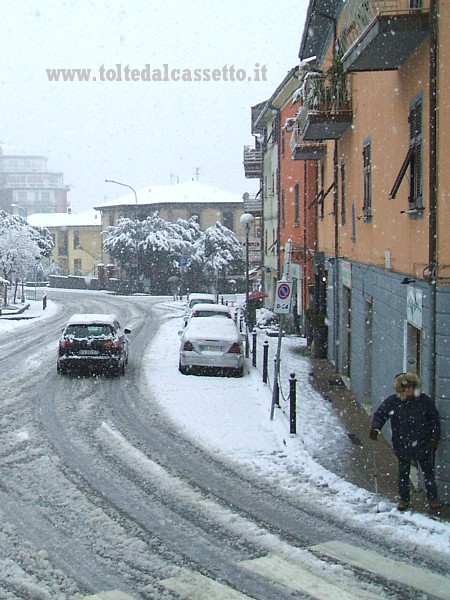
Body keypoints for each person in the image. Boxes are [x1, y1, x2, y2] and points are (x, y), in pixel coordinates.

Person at [369, 372, 441, 512]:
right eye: (406, 387)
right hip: (403, 443)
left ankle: (432, 498)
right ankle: (404, 499)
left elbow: (434, 419)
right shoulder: (393, 401)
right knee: (403, 472)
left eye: (411, 387)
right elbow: (381, 414)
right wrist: (376, 428)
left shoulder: (424, 401)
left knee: (428, 471)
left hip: (422, 442)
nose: (409, 390)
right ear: (400, 388)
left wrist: (434, 438)